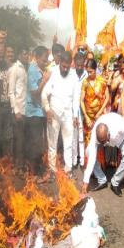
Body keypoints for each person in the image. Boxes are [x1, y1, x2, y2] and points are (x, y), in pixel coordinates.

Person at [42, 51, 80, 180]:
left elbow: (76, 98)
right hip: (54, 115)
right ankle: (52, 170)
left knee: (68, 143)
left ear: (70, 64)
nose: (65, 69)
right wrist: (47, 109)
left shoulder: (74, 77)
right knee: (52, 144)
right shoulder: (53, 73)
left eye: (67, 66)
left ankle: (68, 169)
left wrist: (75, 115)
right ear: (59, 63)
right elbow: (44, 94)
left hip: (68, 114)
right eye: (63, 66)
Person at [81, 112, 124, 196]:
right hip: (108, 138)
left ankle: (115, 182)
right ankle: (101, 179)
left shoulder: (119, 126)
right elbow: (91, 160)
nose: (103, 144)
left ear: (108, 133)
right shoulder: (95, 135)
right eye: (101, 142)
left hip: (120, 139)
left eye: (104, 141)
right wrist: (85, 183)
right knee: (89, 152)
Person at [25, 46, 50, 177]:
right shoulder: (32, 70)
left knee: (40, 141)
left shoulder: (41, 69)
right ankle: (33, 172)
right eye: (45, 58)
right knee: (35, 142)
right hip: (33, 112)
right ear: (38, 57)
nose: (46, 61)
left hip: (41, 112)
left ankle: (38, 169)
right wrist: (45, 80)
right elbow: (34, 93)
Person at [80, 59, 109, 147]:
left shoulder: (102, 81)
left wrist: (99, 113)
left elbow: (107, 98)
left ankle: (99, 160)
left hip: (99, 116)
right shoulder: (85, 82)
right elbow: (81, 100)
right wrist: (86, 116)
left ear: (95, 69)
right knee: (88, 142)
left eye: (91, 71)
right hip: (88, 118)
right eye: (87, 72)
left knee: (99, 139)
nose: (89, 74)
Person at [8, 47, 29, 171]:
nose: (27, 56)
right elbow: (11, 92)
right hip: (18, 111)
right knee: (19, 141)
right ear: (20, 54)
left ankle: (23, 164)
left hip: (26, 110)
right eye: (25, 53)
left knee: (25, 139)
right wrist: (16, 111)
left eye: (28, 54)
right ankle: (18, 166)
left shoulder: (26, 68)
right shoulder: (15, 69)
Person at [72, 53, 88, 168]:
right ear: (75, 63)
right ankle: (73, 161)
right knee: (73, 136)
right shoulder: (71, 74)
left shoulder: (87, 75)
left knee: (82, 136)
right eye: (77, 65)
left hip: (83, 110)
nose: (79, 67)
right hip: (72, 110)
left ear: (84, 64)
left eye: (81, 65)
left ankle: (82, 161)